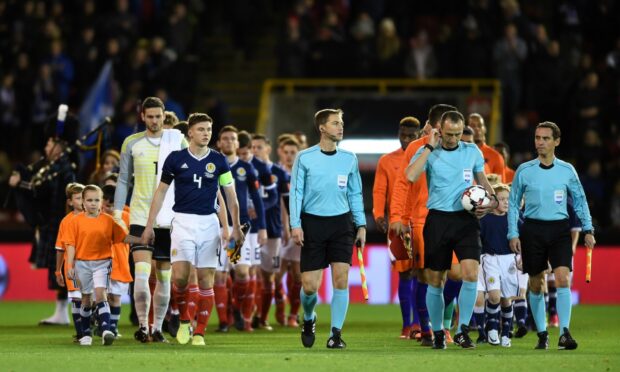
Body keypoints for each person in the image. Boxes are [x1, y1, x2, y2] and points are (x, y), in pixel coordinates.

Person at [141, 113, 243, 346]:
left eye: (209, 129)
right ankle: (185, 319)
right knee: (180, 278)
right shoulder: (175, 159)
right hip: (182, 222)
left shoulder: (218, 161)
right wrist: (149, 225)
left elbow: (231, 197)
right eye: (201, 129)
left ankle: (200, 332)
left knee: (207, 279)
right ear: (190, 133)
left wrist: (233, 228)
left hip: (208, 224)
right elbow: (160, 193)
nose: (206, 133)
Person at [405, 110, 499, 349]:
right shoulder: (429, 150)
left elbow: (483, 181)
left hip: (466, 221)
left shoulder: (471, 152)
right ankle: (437, 331)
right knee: (436, 280)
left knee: (470, 273)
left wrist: (491, 202)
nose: (453, 139)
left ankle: (463, 330)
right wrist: (429, 147)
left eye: (458, 134)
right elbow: (411, 175)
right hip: (438, 220)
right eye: (448, 134)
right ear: (440, 130)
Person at [508, 121, 595, 350]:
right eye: (537, 138)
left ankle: (564, 333)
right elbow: (513, 204)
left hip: (559, 230)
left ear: (556, 141)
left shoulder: (567, 170)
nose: (540, 142)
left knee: (562, 278)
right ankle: (543, 333)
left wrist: (588, 229)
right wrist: (513, 232)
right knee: (536, 285)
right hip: (532, 230)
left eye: (545, 138)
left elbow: (580, 200)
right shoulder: (524, 170)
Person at [113, 97, 188, 343]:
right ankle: (143, 327)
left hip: (168, 216)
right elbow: (124, 180)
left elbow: (189, 173)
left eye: (159, 116)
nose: (155, 121)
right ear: (142, 116)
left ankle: (157, 328)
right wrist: (116, 212)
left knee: (164, 276)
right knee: (143, 274)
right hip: (139, 214)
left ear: (164, 115)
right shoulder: (131, 143)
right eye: (150, 116)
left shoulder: (176, 140)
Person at [291, 108, 366, 349]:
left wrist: (361, 224)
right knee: (310, 287)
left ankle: (336, 334)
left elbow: (355, 193)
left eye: (341, 123)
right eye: (335, 123)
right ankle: (309, 317)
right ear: (322, 128)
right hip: (312, 223)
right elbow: (296, 193)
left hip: (342, 224)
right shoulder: (304, 157)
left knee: (341, 280)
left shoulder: (350, 158)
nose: (340, 127)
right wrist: (295, 224)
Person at [388, 103, 456, 345]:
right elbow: (402, 184)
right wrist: (398, 218)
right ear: (438, 125)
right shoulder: (416, 148)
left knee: (457, 275)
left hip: (454, 220)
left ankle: (443, 324)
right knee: (426, 276)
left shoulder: (461, 150)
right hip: (421, 220)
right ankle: (428, 328)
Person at [65, 185, 141, 346]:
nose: (93, 203)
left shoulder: (109, 220)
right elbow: (70, 244)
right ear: (83, 202)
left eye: (97, 200)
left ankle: (107, 330)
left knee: (100, 294)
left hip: (103, 262)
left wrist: (142, 240)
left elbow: (123, 238)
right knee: (86, 298)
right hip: (82, 263)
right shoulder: (75, 221)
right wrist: (70, 265)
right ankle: (86, 334)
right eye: (89, 200)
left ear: (101, 202)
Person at [214, 125, 266, 332]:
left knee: (242, 273)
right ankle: (224, 321)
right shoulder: (213, 165)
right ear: (219, 143)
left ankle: (235, 307)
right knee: (219, 275)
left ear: (238, 143)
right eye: (224, 139)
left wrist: (262, 228)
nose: (228, 142)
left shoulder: (246, 169)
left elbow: (257, 200)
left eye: (232, 139)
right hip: (217, 227)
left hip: (238, 229)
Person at [372, 116, 421, 339]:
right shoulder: (387, 160)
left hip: (422, 220)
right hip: (398, 223)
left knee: (423, 273)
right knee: (404, 273)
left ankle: (421, 324)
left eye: (411, 136)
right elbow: (380, 190)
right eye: (403, 135)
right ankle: (407, 325)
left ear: (419, 135)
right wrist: (378, 214)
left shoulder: (426, 157)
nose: (406, 139)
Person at [251, 133, 291, 330]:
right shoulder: (246, 170)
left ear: (268, 148)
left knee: (268, 276)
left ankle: (263, 317)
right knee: (249, 272)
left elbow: (284, 203)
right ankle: (245, 316)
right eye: (253, 147)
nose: (255, 150)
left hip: (273, 230)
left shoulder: (278, 173)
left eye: (259, 147)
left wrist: (286, 226)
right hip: (249, 229)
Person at [474, 183, 518, 347]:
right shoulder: (484, 220)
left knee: (507, 299)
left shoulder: (513, 219)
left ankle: (506, 333)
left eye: (508, 199)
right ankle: (492, 328)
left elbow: (522, 239)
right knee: (493, 296)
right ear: (493, 201)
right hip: (490, 259)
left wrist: (521, 257)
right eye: (501, 199)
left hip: (509, 260)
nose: (506, 202)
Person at [274, 136, 301, 327]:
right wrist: (284, 226)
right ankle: (281, 307)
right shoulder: (274, 173)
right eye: (286, 152)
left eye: (293, 152)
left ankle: (293, 314)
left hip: (299, 228)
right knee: (277, 274)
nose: (289, 156)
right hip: (278, 229)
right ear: (279, 152)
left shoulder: (302, 174)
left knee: (299, 275)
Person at [54, 182, 85, 341]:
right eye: (78, 198)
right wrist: (58, 270)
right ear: (70, 202)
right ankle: (81, 332)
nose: (81, 201)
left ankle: (90, 326)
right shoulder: (66, 222)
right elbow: (60, 248)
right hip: (71, 266)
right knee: (76, 297)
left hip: (91, 265)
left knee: (91, 298)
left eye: (83, 198)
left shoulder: (95, 218)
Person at [102, 184, 132, 337]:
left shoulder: (126, 216)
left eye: (112, 204)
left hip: (120, 263)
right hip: (100, 263)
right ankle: (104, 325)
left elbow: (130, 238)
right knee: (102, 297)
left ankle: (112, 327)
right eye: (106, 204)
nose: (108, 207)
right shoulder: (95, 218)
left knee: (116, 298)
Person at [468, 113, 506, 182]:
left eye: (479, 125)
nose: (476, 128)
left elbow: (500, 188)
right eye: (472, 126)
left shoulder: (496, 157)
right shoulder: (460, 154)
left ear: (485, 129)